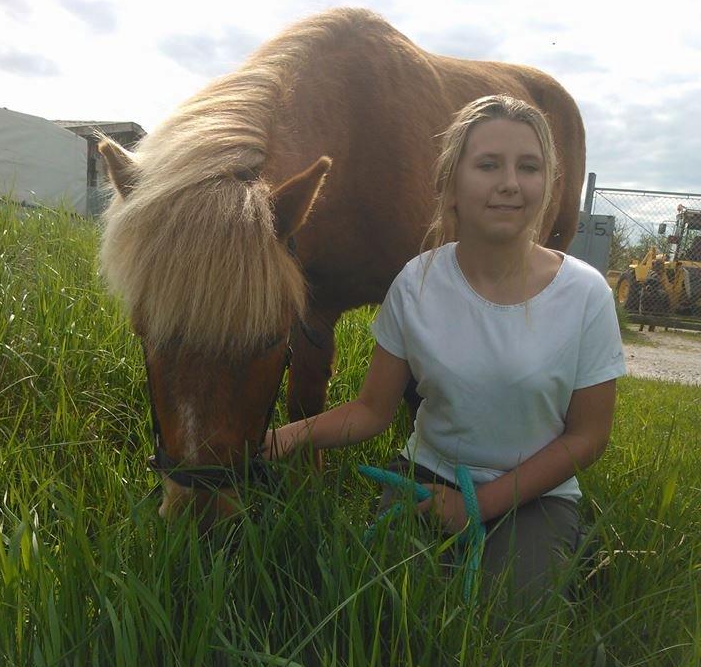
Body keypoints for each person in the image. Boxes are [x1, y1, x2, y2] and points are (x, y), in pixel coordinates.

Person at [263, 95, 626, 597]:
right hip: (427, 477)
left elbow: (588, 436)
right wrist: (283, 438)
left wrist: (479, 506)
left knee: (509, 619)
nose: (509, 183)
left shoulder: (586, 293)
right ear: (451, 184)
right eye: (488, 165)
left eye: (528, 167)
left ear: (547, 184)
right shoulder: (416, 283)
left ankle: (567, 542)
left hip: (536, 491)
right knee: (381, 600)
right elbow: (371, 410)